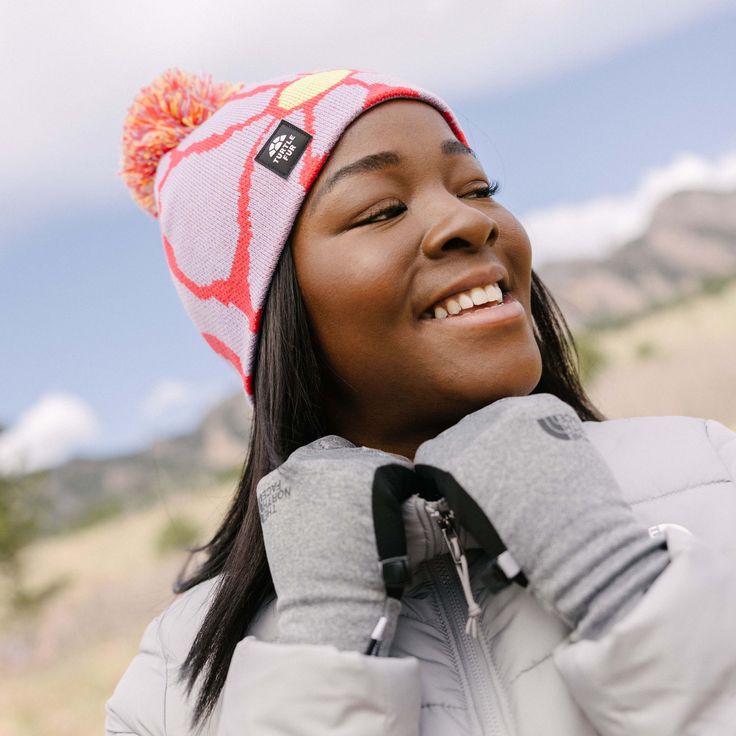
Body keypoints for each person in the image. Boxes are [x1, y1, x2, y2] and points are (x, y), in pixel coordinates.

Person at [106, 67, 736, 736]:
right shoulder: (171, 685)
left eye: (477, 189)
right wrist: (323, 648)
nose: (467, 220)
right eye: (382, 209)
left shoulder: (715, 473)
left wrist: (614, 580)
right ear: (273, 314)